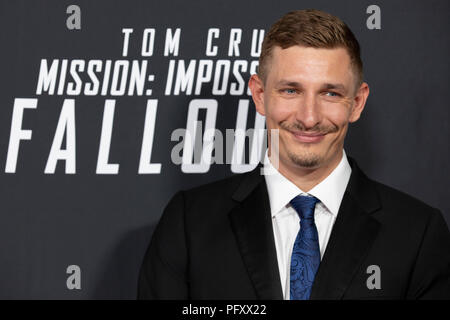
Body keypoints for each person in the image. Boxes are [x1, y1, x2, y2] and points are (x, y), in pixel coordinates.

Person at [138, 9, 450, 300]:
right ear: (260, 96)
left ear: (356, 103)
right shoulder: (189, 224)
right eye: (291, 90)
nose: (309, 117)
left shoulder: (418, 233)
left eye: (330, 93)